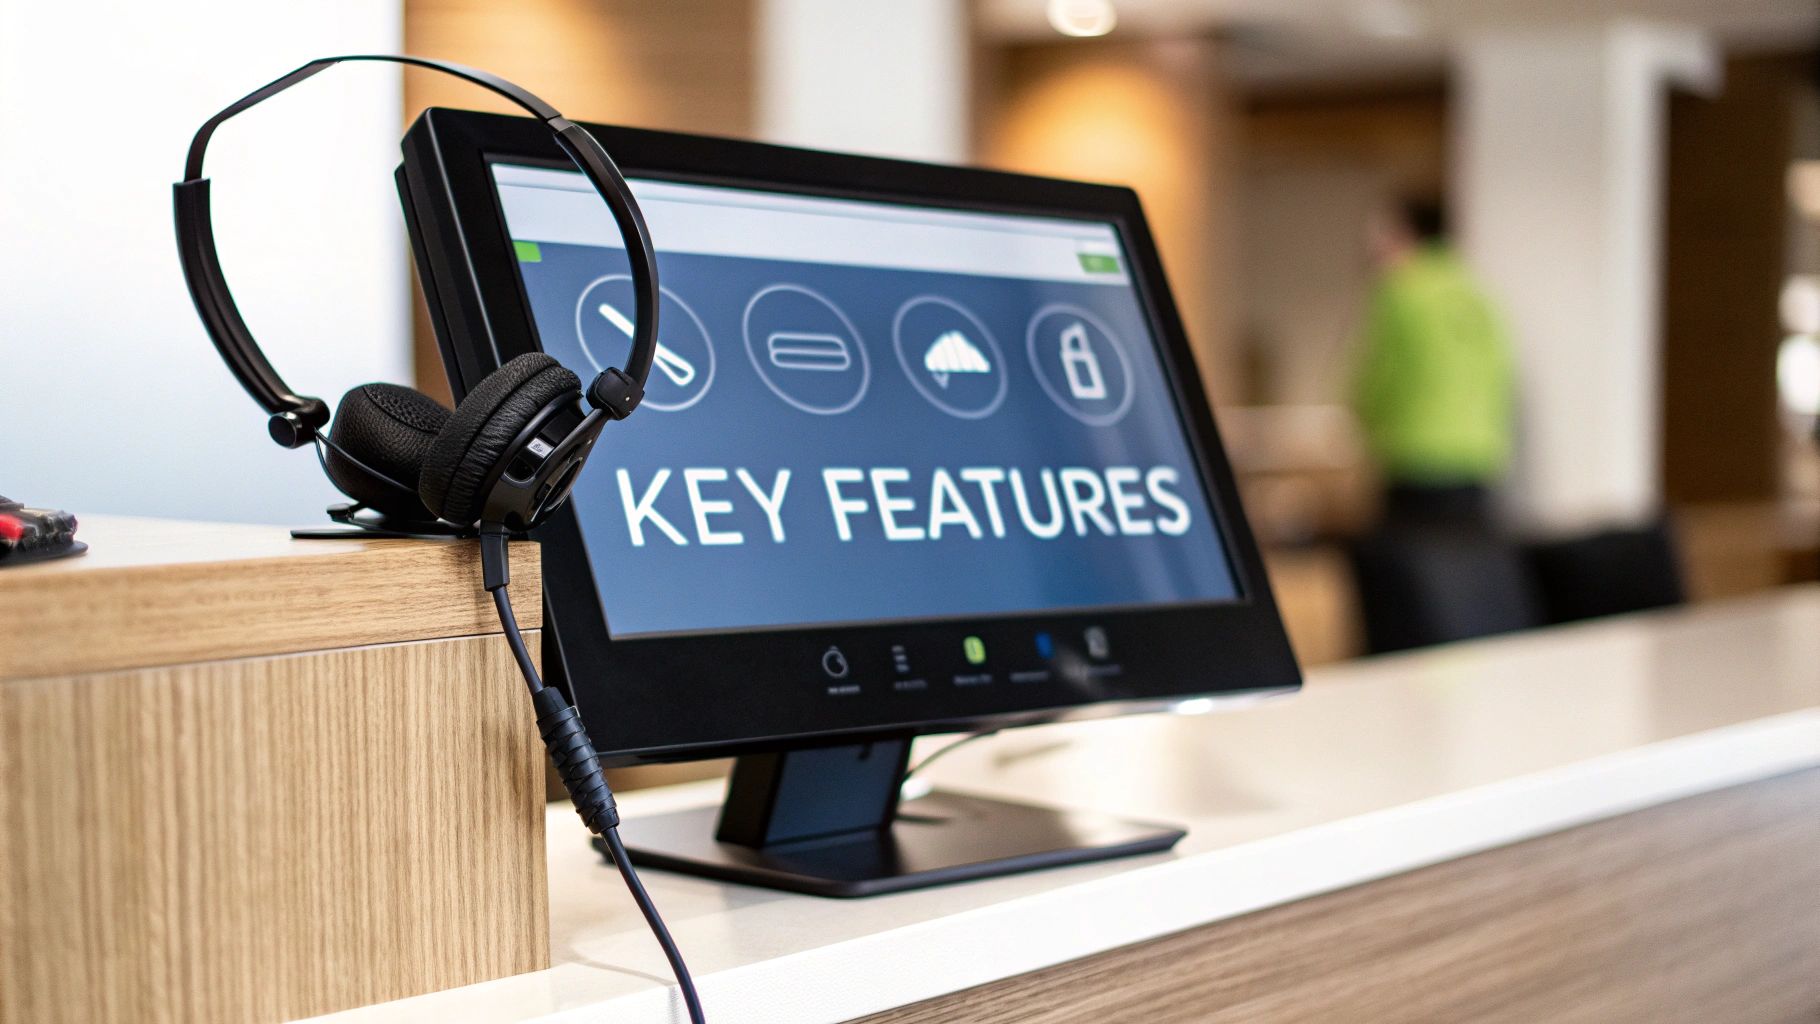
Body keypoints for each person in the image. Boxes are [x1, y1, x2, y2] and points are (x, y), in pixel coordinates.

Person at [1352, 197, 1514, 531]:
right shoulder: (1474, 290)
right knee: (1462, 572)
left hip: (1415, 461)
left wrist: (1364, 420)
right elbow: (1501, 371)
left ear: (1404, 232)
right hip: (1477, 460)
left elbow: (1379, 377)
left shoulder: (1401, 290)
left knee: (1410, 574)